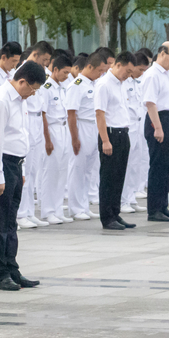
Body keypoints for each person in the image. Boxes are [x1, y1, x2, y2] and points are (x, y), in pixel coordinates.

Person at [0, 61, 46, 291]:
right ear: (22, 81)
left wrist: (22, 170)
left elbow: (21, 135)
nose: (33, 93)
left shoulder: (20, 99)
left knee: (10, 221)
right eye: (32, 88)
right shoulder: (0, 100)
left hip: (15, 164)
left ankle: (11, 267)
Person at [141, 43, 169, 222]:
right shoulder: (152, 74)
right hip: (159, 119)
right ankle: (154, 209)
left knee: (168, 166)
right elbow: (150, 102)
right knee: (158, 166)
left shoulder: (168, 75)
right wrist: (158, 127)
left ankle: (163, 205)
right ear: (163, 54)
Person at [94, 52, 135, 231]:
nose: (129, 75)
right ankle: (107, 217)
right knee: (108, 178)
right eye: (128, 70)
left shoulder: (121, 84)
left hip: (123, 133)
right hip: (109, 134)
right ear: (118, 64)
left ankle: (115, 213)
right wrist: (105, 140)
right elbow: (99, 113)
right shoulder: (103, 84)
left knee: (119, 176)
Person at [16, 42, 54, 229]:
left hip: (38, 118)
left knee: (33, 170)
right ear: (36, 54)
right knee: (25, 170)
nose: (46, 63)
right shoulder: (23, 69)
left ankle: (29, 211)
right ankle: (21, 213)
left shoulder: (43, 71)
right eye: (45, 59)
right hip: (27, 118)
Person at [66, 52, 106, 221]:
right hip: (82, 126)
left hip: (94, 127)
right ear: (89, 66)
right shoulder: (77, 85)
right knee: (77, 169)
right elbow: (71, 114)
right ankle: (75, 208)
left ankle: (84, 205)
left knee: (89, 170)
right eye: (99, 70)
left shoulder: (96, 83)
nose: (101, 74)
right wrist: (75, 138)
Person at [39, 54, 73, 225]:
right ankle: (48, 210)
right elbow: (43, 114)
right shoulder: (46, 87)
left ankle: (58, 209)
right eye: (65, 73)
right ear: (56, 69)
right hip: (52, 129)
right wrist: (47, 139)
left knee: (61, 172)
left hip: (63, 128)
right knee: (50, 172)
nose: (67, 76)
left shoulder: (63, 87)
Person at [121, 52, 150, 214]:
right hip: (128, 126)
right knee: (127, 164)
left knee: (136, 164)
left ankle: (130, 197)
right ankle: (123, 199)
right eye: (140, 69)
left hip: (139, 126)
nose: (142, 73)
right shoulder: (123, 82)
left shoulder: (139, 82)